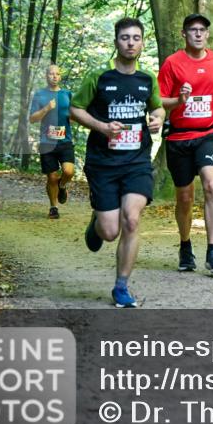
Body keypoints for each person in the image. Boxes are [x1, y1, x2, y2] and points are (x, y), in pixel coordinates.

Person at [69, 18, 164, 308]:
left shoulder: (147, 79)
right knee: (110, 231)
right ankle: (97, 223)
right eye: (125, 38)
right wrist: (101, 126)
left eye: (136, 38)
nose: (131, 43)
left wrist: (158, 117)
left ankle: (121, 286)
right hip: (103, 163)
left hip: (136, 161)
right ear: (116, 42)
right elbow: (74, 109)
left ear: (143, 43)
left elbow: (157, 106)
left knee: (132, 220)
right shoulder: (99, 77)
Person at [158, 13, 213, 275]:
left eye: (202, 30)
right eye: (193, 30)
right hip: (179, 137)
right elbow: (159, 101)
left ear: (207, 34)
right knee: (185, 197)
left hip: (208, 134)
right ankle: (185, 245)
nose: (198, 34)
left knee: (212, 184)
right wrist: (178, 100)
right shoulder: (172, 63)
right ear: (184, 34)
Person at [29, 64, 75, 219]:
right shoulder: (40, 95)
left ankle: (62, 186)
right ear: (46, 76)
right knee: (52, 177)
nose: (54, 76)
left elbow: (75, 116)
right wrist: (46, 108)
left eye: (57, 74)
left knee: (68, 172)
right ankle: (53, 207)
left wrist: (74, 118)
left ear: (60, 76)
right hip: (47, 142)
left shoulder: (67, 94)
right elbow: (32, 119)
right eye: (51, 74)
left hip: (65, 140)